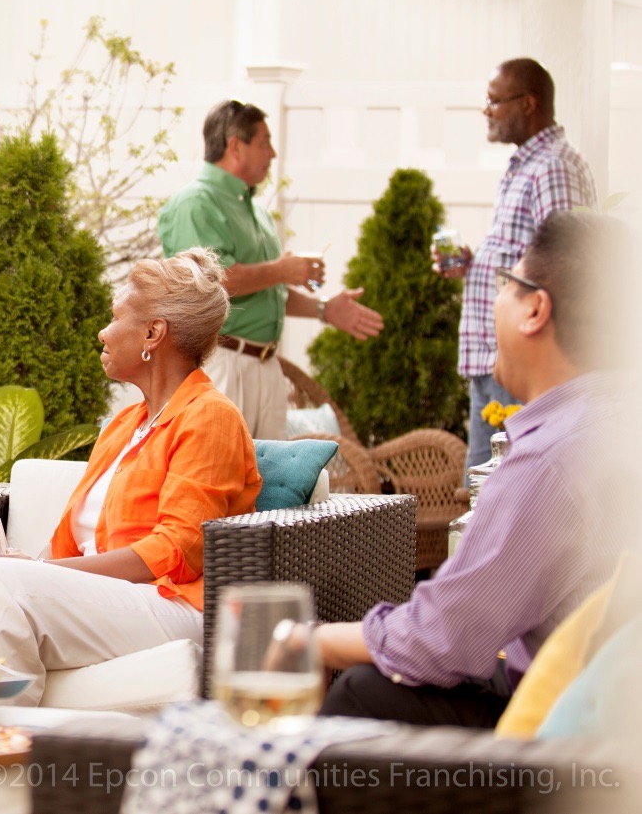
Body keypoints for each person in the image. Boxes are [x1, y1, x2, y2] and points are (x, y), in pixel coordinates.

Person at [315, 211, 626, 727]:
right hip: (601, 701)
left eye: (505, 284)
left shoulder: (552, 459)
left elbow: (444, 638)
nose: (492, 300)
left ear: (535, 310)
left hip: (560, 727)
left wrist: (312, 638)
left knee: (361, 693)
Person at [0, 249, 262, 706]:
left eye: (114, 317)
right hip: (107, 599)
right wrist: (26, 563)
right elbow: (66, 544)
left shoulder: (210, 417)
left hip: (174, 604)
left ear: (153, 332)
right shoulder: (123, 426)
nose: (102, 331)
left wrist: (37, 573)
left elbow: (177, 552)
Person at [157, 100, 382, 439]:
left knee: (269, 485)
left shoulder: (255, 212)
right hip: (221, 364)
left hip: (265, 367)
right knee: (217, 477)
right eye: (264, 142)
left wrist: (324, 309)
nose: (273, 153)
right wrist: (282, 269)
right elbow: (213, 281)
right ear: (235, 146)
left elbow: (265, 291)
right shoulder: (195, 203)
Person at [435, 58, 595, 473]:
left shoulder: (553, 167)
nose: (486, 111)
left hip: (525, 367)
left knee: (507, 495)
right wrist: (477, 265)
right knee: (482, 498)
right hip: (496, 364)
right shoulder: (528, 164)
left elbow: (564, 268)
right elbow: (529, 256)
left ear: (528, 103)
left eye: (494, 101)